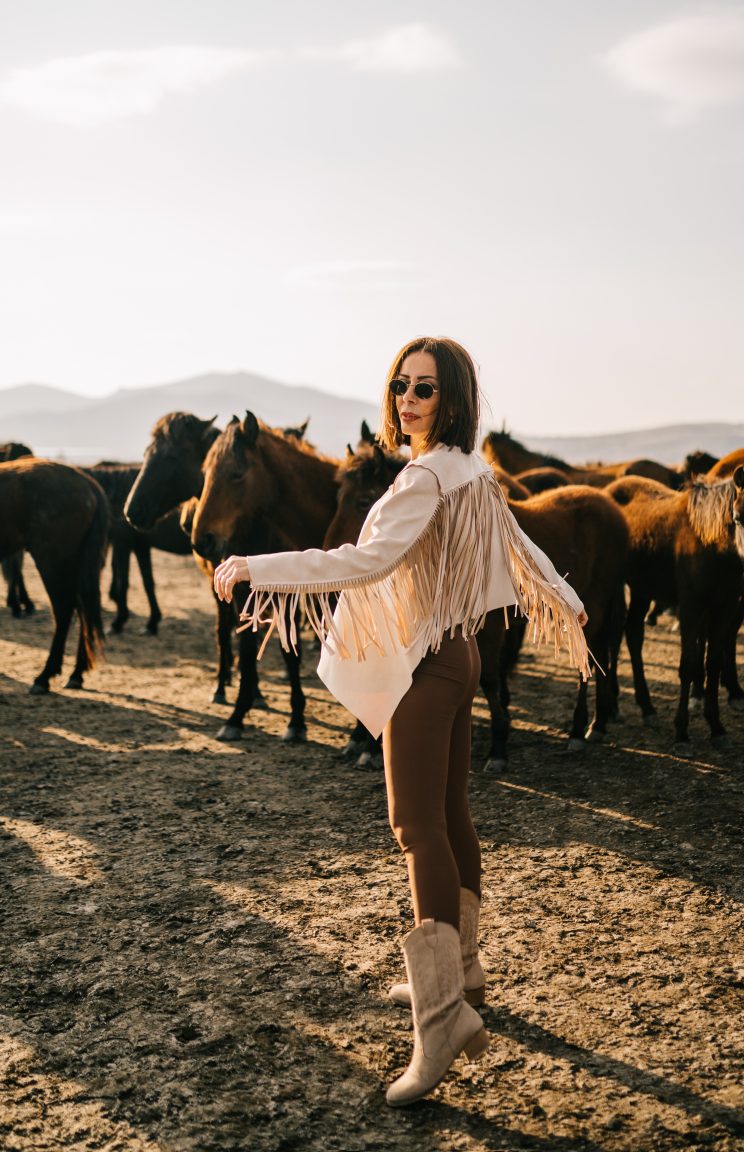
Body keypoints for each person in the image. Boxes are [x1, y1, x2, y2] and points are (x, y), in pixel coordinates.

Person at [214, 336, 589, 1107]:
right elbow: (518, 546)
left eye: (424, 389)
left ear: (452, 400)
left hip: (427, 667)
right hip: (460, 657)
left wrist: (259, 568)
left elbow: (362, 562)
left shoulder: (425, 476)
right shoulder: (470, 471)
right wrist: (569, 600)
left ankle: (442, 1017)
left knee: (414, 828)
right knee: (450, 816)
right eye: (400, 387)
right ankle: (468, 969)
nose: (408, 401)